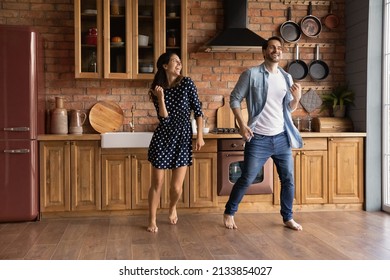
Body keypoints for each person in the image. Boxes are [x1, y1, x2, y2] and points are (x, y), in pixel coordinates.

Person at [223, 36, 304, 231]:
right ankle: (229, 212)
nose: (276, 50)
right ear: (264, 52)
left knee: (287, 179)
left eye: (279, 48)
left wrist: (297, 99)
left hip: (282, 136)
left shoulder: (287, 77)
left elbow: (289, 109)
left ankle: (288, 217)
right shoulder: (251, 74)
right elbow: (234, 99)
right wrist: (242, 125)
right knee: (247, 177)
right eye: (272, 48)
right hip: (258, 137)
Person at [147, 52, 205, 233]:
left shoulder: (187, 83)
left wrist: (199, 136)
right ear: (165, 65)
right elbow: (164, 119)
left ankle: (172, 207)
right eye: (175, 61)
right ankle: (152, 219)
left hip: (182, 138)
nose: (179, 64)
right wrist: (161, 98)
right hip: (163, 138)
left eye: (180, 61)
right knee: (157, 183)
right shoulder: (156, 89)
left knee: (176, 187)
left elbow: (198, 111)